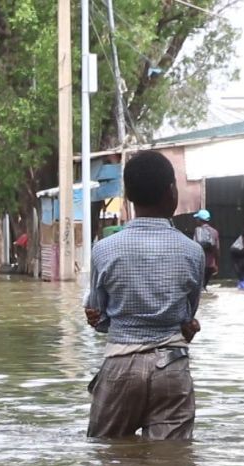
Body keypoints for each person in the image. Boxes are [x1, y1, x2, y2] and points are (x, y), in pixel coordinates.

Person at [84, 150, 204, 440]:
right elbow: (187, 318)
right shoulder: (193, 252)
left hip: (120, 366)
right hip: (172, 368)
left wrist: (103, 321)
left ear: (128, 197)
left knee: (108, 459)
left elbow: (99, 317)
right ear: (171, 192)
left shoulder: (103, 250)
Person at [192, 209, 219, 289]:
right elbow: (217, 249)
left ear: (200, 220)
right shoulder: (214, 232)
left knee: (199, 288)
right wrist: (216, 263)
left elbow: (194, 247)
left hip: (199, 264)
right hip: (210, 264)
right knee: (204, 286)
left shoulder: (197, 231)